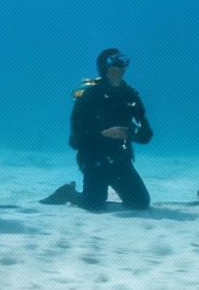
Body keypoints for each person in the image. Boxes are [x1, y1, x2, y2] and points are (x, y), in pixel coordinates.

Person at [44, 48, 153, 210]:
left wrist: (130, 134)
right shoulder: (88, 96)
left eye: (122, 69)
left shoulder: (130, 96)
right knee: (94, 205)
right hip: (94, 159)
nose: (120, 73)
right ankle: (69, 193)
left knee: (141, 203)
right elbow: (75, 140)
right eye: (115, 69)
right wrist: (103, 135)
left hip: (121, 159)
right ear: (104, 69)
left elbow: (147, 134)